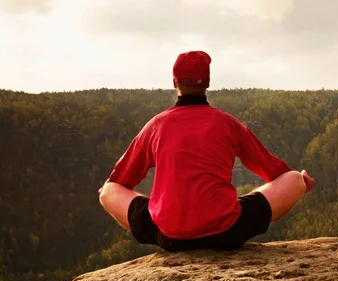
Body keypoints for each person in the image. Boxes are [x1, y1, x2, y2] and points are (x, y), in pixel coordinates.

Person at [98, 50, 315, 251]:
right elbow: (271, 169)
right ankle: (297, 181)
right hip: (226, 232)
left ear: (175, 82)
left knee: (108, 191)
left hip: (171, 237)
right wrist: (300, 181)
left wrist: (159, 205)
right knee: (294, 179)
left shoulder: (155, 126)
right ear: (208, 83)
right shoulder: (227, 123)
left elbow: (121, 179)